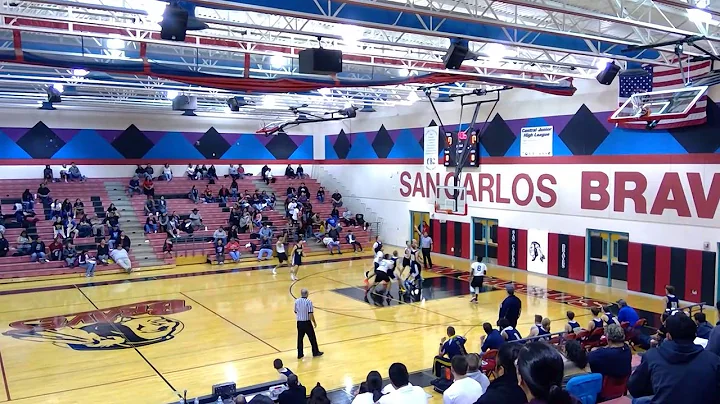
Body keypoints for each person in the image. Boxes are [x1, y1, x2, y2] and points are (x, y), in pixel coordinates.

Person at [629, 312, 720, 403]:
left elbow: (635, 388)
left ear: (668, 336)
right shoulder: (714, 360)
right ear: (695, 334)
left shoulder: (651, 356)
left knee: (637, 401)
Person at [294, 288, 322, 359]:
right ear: (307, 294)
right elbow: (310, 314)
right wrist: (313, 322)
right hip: (306, 322)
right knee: (312, 338)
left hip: (299, 323)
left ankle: (300, 354)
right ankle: (315, 352)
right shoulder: (308, 302)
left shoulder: (296, 301)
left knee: (300, 339)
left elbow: (295, 311)